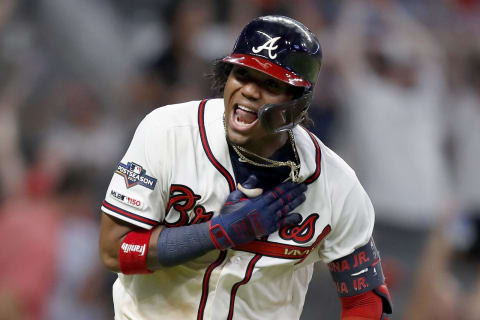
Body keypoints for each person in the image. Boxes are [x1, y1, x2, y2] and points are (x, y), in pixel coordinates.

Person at [99, 15, 392, 320]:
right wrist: (216, 234)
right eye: (242, 74)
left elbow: (364, 301)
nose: (250, 91)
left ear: (298, 103)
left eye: (270, 84)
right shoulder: (168, 132)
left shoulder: (336, 185)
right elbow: (114, 250)